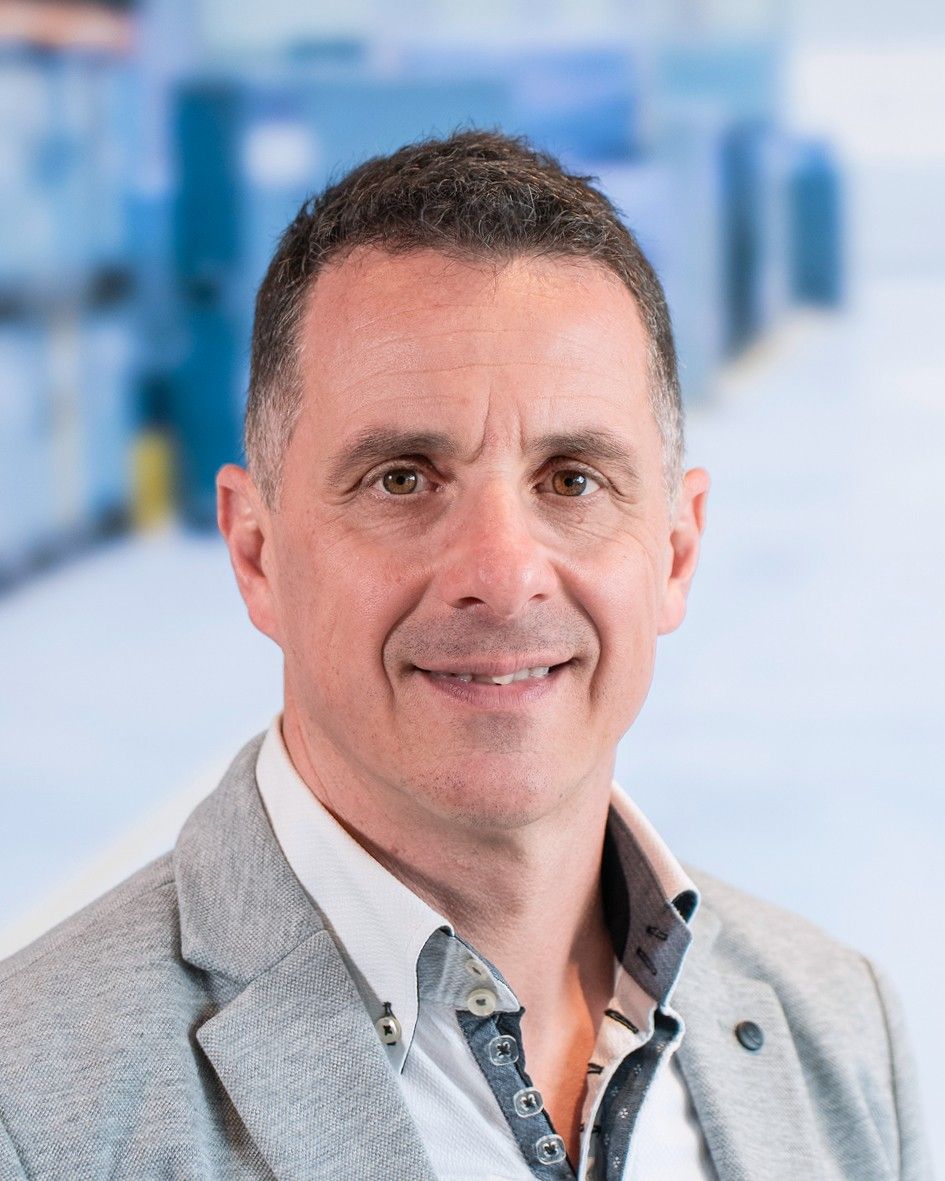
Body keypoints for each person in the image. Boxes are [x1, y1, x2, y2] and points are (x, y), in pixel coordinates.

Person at [0, 131, 929, 1181]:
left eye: (573, 479)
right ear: (255, 550)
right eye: (403, 477)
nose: (502, 570)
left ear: (675, 549)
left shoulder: (842, 1031)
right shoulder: (35, 1112)